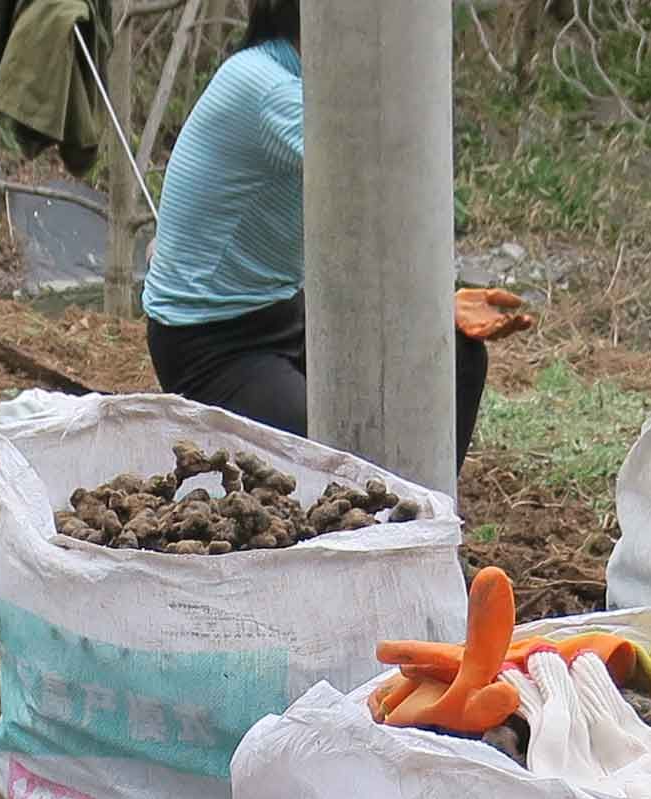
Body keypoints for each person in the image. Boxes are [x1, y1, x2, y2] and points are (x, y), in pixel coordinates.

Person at [139, 2, 492, 458]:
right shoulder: (266, 87)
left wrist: (429, 313)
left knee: (455, 359)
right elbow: (391, 185)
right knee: (337, 456)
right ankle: (380, 520)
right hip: (212, 346)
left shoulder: (313, 83)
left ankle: (428, 519)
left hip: (290, 315)